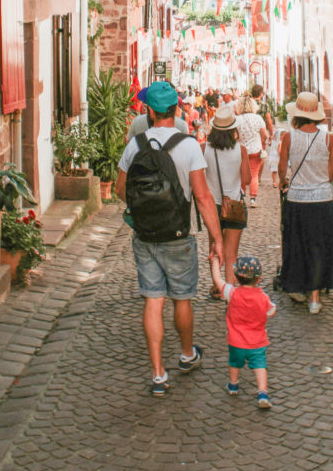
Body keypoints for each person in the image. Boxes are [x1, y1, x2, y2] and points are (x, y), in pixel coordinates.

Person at [116, 81, 224, 397]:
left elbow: (120, 190)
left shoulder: (134, 145)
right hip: (178, 234)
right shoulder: (189, 145)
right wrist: (216, 239)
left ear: (149, 111)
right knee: (182, 297)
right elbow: (203, 197)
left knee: (153, 299)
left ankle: (158, 373)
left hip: (146, 235)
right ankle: (187, 354)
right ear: (175, 110)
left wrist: (142, 209)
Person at [277, 92, 333, 315]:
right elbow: (332, 172)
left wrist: (284, 183)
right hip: (322, 200)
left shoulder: (288, 137)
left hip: (297, 199)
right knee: (320, 245)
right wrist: (319, 181)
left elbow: (283, 168)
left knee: (298, 243)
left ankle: (298, 287)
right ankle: (315, 295)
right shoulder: (328, 138)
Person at [209, 254, 276, 410]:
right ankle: (263, 393)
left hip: (236, 341)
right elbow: (271, 311)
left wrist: (215, 262)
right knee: (260, 366)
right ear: (258, 279)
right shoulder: (263, 297)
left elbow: (218, 280)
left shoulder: (232, 293)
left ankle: (233, 385)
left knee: (234, 363)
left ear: (236, 277)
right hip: (257, 342)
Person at [203, 106, 252, 287]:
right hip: (234, 204)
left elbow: (200, 178)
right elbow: (246, 179)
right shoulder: (241, 150)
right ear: (233, 129)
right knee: (232, 253)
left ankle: (217, 286)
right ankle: (229, 290)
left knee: (214, 247)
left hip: (212, 205)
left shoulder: (204, 149)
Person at [234, 94, 268, 208]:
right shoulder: (258, 118)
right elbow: (265, 134)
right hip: (255, 150)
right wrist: (262, 142)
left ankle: (242, 197)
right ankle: (253, 199)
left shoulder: (237, 120)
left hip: (241, 151)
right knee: (254, 175)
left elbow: (234, 136)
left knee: (241, 175)